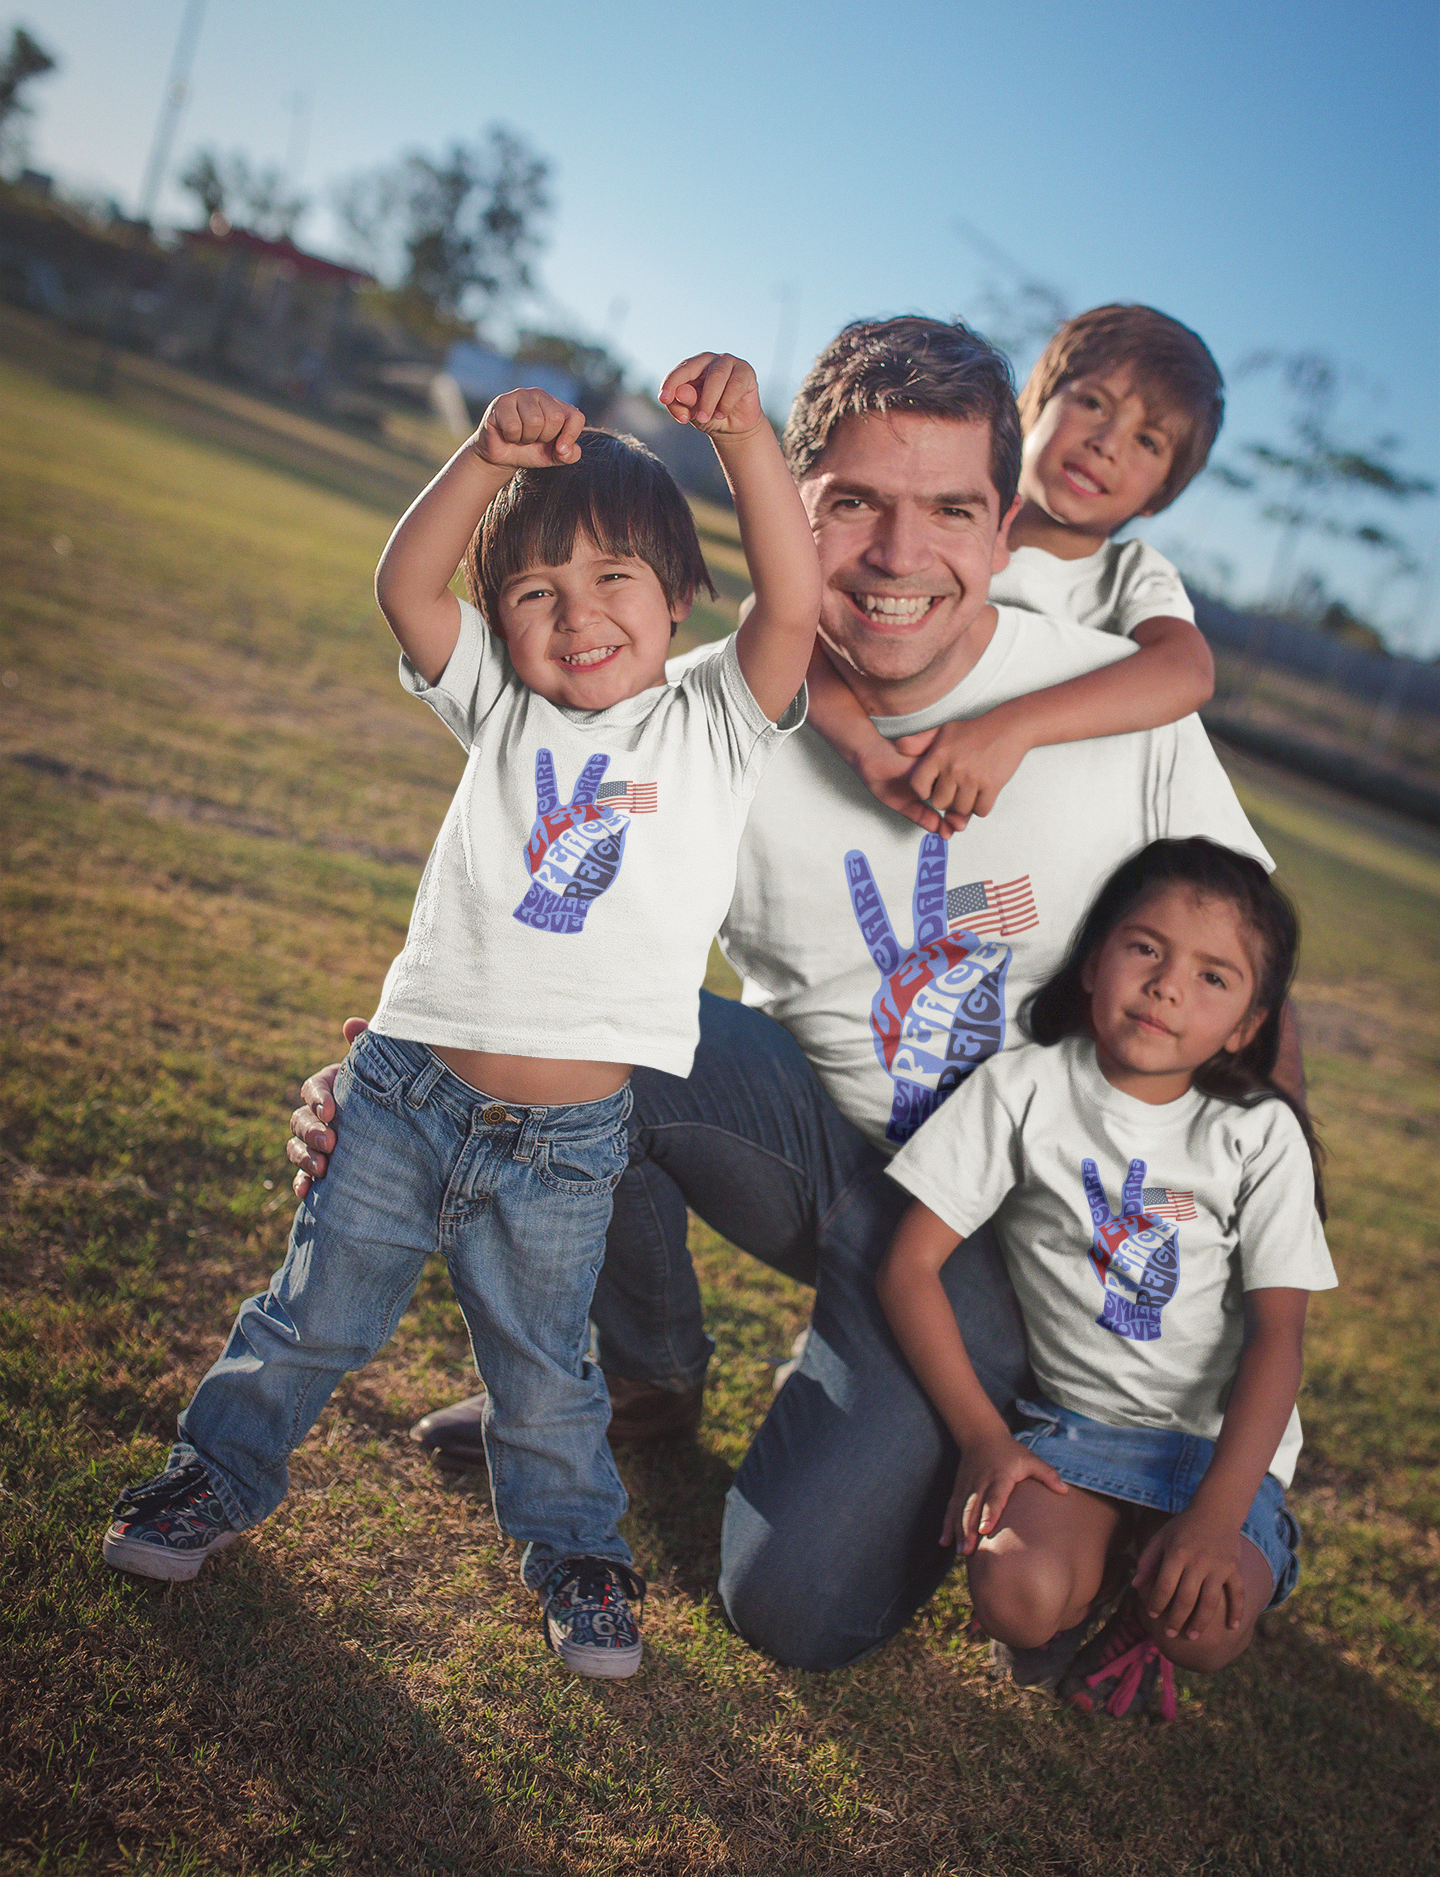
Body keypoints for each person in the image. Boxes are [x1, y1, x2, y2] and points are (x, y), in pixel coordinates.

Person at [290, 315, 1302, 1672]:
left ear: (1003, 528)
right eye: (852, 507)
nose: (896, 557)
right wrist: (394, 1069)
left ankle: (1010, 1446)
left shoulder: (1117, 711)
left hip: (1013, 1237)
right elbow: (539, 932)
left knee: (793, 1607)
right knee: (609, 1043)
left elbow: (1260, 1012)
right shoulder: (693, 719)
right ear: (785, 508)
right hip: (825, 1154)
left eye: (947, 509)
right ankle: (642, 1374)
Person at [102, 352, 820, 1682]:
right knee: (309, 1316)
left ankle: (576, 1557)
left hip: (567, 1144)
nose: (578, 613)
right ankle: (210, 1478)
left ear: (679, 597)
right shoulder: (501, 702)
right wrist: (486, 455)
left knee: (546, 1375)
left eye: (615, 581)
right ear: (502, 618)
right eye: (537, 591)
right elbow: (403, 586)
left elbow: (795, 600)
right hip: (404, 1096)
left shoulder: (713, 720)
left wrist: (748, 447)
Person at [878, 837, 1333, 1719]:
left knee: (1203, 1629)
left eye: (1214, 976)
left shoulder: (1257, 1134)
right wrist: (983, 1437)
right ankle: (1100, 1562)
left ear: (1246, 1025)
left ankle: (1152, 1582)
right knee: (1019, 1600)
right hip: (1078, 1434)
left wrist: (1214, 1515)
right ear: (1094, 960)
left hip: (1216, 1453)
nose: (1167, 984)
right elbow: (908, 1268)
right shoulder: (1024, 1088)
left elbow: (1280, 1336)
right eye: (1146, 947)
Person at [803, 304, 1221, 838]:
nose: (1107, 444)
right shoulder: (932, 544)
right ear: (1035, 404)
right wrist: (865, 751)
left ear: (1160, 496)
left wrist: (1010, 729)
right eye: (1093, 403)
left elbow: (1188, 671)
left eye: (1148, 442)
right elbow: (784, 625)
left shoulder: (1129, 575)